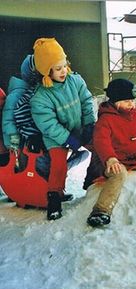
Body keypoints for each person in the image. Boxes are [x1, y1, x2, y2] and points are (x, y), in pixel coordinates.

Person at [29, 37, 96, 221]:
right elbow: (49, 126)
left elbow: (86, 101)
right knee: (58, 165)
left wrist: (89, 124)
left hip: (79, 127)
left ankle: (94, 181)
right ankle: (54, 199)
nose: (63, 71)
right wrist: (69, 140)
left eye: (64, 65)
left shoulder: (76, 80)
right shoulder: (40, 98)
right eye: (57, 69)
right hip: (56, 137)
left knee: (100, 147)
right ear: (46, 71)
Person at [86, 78, 136, 228]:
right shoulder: (106, 119)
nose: (132, 104)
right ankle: (100, 211)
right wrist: (110, 159)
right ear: (116, 101)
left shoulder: (134, 116)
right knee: (119, 173)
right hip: (108, 162)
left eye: (132, 101)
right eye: (127, 101)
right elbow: (101, 141)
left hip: (130, 159)